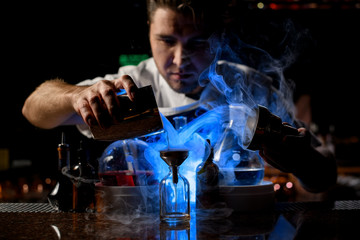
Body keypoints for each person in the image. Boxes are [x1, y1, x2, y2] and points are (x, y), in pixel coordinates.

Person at [22, 0, 337, 193]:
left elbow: (323, 178)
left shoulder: (249, 87)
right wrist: (77, 95)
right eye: (166, 40)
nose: (179, 58)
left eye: (197, 43)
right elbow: (33, 108)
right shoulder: (132, 88)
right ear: (149, 30)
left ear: (219, 38)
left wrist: (303, 161)